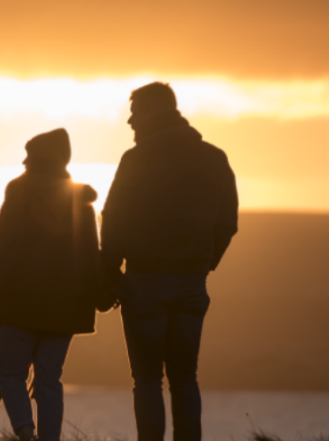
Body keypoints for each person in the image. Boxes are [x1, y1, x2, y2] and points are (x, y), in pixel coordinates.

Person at [101, 82, 239, 441]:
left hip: (144, 281)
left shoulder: (136, 159)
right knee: (184, 377)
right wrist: (204, 263)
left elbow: (113, 218)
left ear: (150, 112)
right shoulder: (215, 157)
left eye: (134, 113)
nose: (130, 121)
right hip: (192, 282)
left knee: (146, 378)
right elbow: (228, 223)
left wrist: (107, 272)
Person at [0, 128, 101, 441]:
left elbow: (2, 242)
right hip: (67, 306)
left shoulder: (19, 189)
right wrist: (99, 293)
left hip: (20, 301)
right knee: (49, 379)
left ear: (38, 156)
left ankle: (25, 433)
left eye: (29, 154)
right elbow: (90, 250)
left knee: (9, 371)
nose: (24, 160)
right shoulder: (79, 196)